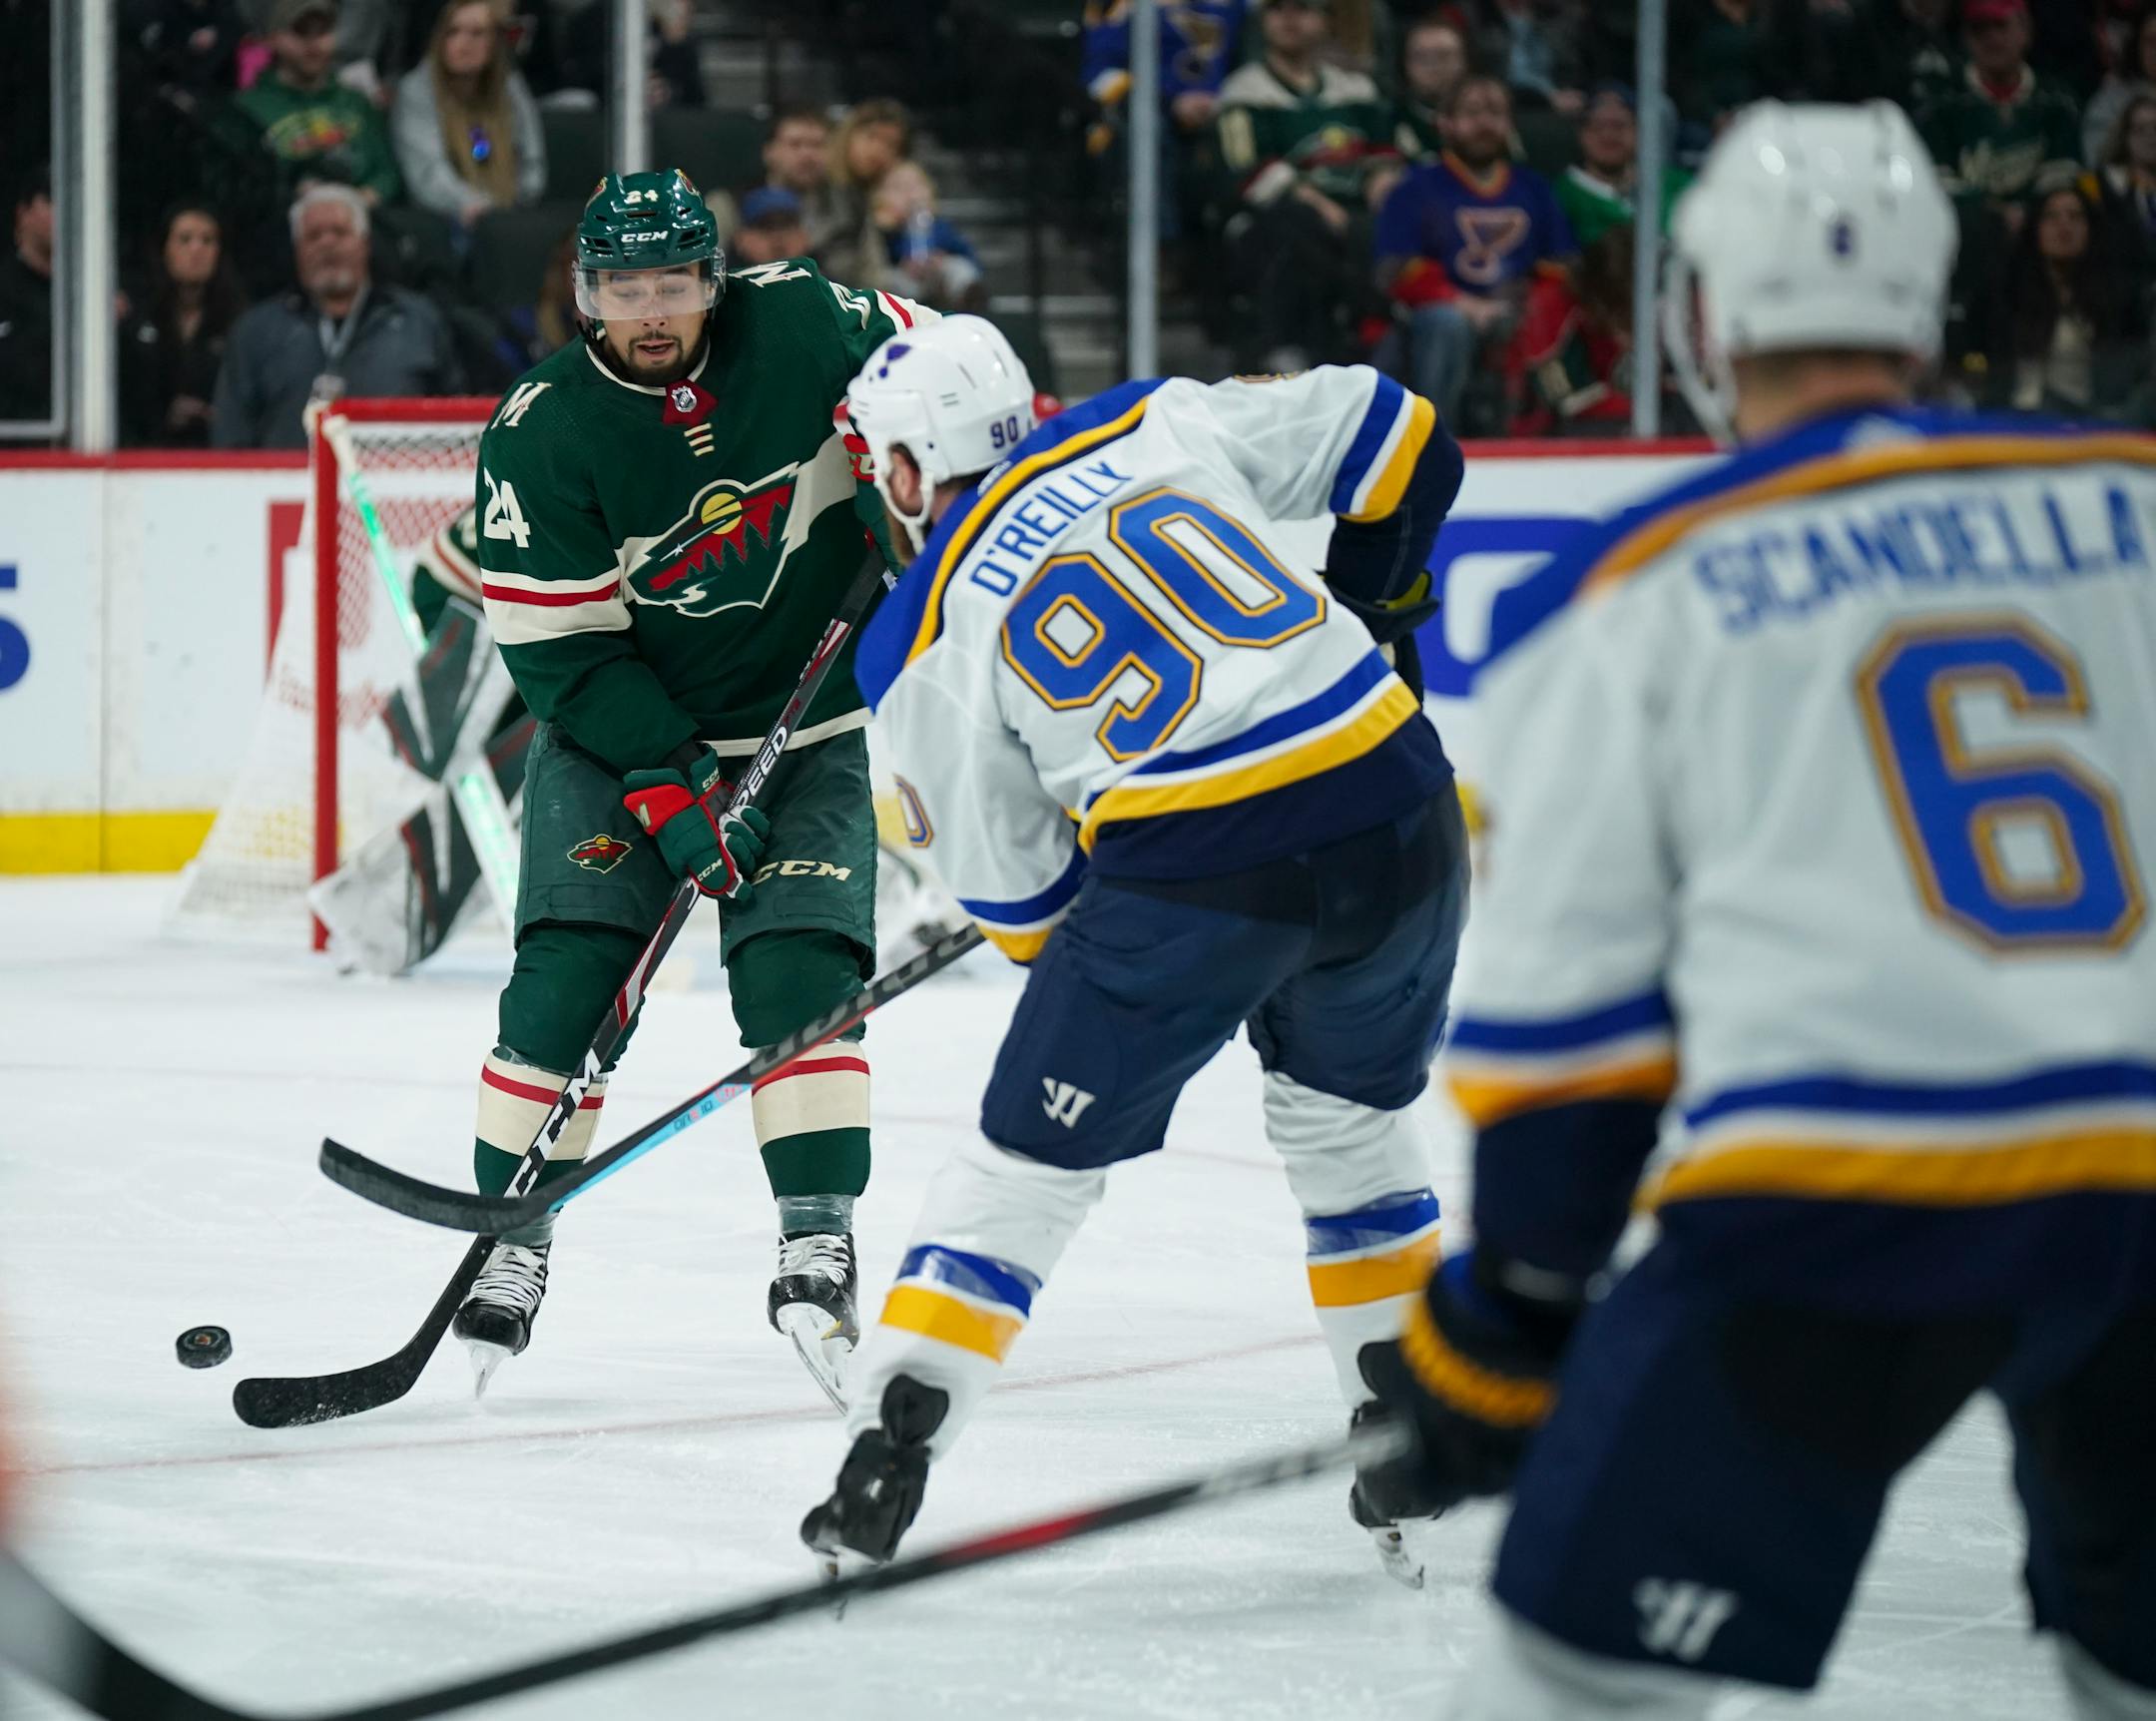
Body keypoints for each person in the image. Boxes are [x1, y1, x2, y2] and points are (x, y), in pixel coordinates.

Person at [1363, 100, 2156, 1721]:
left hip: (1842, 1198)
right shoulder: (2134, 493)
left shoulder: (1642, 584)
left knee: (1568, 1680)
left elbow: (1574, 1039)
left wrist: (1507, 1319)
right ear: (1933, 296)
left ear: (1702, 312)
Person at [798, 319, 1470, 1582]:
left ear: (900, 471)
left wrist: (1131, 869)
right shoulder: (1151, 418)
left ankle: (892, 1439)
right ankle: (1410, 1429)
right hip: (1402, 804)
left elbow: (1034, 920)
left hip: (1202, 875)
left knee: (1026, 1172)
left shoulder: (921, 630)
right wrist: (1379, 611)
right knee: (1351, 1126)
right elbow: (1405, 437)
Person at [455, 170, 937, 1405]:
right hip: (619, 739)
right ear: (586, 293)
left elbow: (959, 378)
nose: (651, 309)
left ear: (712, 281)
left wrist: (914, 480)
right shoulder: (539, 429)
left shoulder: (811, 320)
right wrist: (671, 784)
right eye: (624, 288)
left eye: (673, 282)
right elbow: (559, 651)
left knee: (803, 976)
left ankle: (815, 1234)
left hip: (810, 719)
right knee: (570, 981)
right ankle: (508, 1240)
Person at [1373, 74, 1576, 426]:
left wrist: (1527, 302)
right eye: (1472, 113)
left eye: (1495, 112)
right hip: (1432, 322)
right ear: (1445, 124)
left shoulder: (1535, 189)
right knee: (1447, 324)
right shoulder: (1414, 188)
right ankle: (1434, 441)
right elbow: (1396, 272)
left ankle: (1536, 432)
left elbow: (1559, 268)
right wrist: (1467, 306)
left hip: (1512, 312)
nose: (1485, 123)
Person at [1215, 0, 1399, 371]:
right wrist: (1319, 204)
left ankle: (1380, 341)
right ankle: (1291, 349)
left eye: (1302, 8)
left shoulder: (1355, 88)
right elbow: (1247, 170)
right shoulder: (1244, 91)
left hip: (1353, 213)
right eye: (1277, 9)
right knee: (1300, 228)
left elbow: (1384, 153)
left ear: (1324, 20)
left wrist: (1384, 184)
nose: (1289, 19)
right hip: (1275, 220)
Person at [212, 184, 461, 449]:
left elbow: (455, 423)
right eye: (313, 236)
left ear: (365, 244)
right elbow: (230, 433)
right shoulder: (256, 331)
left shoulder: (417, 320)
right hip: (284, 487)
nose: (327, 244)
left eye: (340, 233)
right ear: (297, 251)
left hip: (395, 486)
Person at [1974, 177, 2150, 422]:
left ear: (2091, 229)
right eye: (2051, 217)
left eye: (2075, 217)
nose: (2064, 226)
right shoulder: (2007, 296)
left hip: (2088, 434)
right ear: (2035, 229)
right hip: (2010, 429)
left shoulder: (2120, 303)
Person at [390, 0, 546, 231]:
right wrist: (478, 207)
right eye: (453, 32)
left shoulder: (510, 86)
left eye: (477, 33)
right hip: (445, 219)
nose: (464, 43)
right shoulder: (416, 90)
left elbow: (532, 159)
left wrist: (518, 206)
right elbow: (428, 175)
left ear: (494, 42)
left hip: (510, 213)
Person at [230, 0, 401, 208]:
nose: (314, 43)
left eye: (323, 31)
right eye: (301, 31)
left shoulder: (356, 102)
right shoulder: (245, 109)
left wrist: (355, 202)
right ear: (273, 38)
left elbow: (387, 174)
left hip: (360, 223)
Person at [1922, 0, 2080, 220]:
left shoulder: (2056, 101)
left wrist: (2025, 215)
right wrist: (1996, 213)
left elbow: (2063, 175)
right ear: (1966, 38)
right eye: (1979, 29)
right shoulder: (1942, 104)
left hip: (2039, 236)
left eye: (2000, 25)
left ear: (2026, 30)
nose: (1992, 38)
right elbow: (1938, 183)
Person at [120, 204, 247, 447]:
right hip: (145, 455)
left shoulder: (239, 320)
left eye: (207, 241)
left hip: (219, 456)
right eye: (185, 239)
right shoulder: (136, 314)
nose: (196, 250)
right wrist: (165, 413)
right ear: (164, 249)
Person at [1555, 84, 1691, 249]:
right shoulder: (1560, 196)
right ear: (1581, 134)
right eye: (1597, 126)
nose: (1608, 135)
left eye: (1619, 126)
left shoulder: (1679, 185)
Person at [707, 107, 845, 261]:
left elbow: (863, 274)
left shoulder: (845, 206)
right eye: (795, 144)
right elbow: (700, 269)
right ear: (769, 152)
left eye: (817, 145)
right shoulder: (728, 204)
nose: (808, 155)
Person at [0, 166, 54, 427]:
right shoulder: (5, 289)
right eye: (51, 201)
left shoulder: (95, 293)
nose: (64, 212)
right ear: (23, 214)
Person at [1393, 17, 1470, 161]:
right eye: (1421, 57)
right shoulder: (1388, 121)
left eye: (1443, 56)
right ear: (1405, 65)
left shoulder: (1487, 123)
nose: (1432, 66)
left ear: (1464, 62)